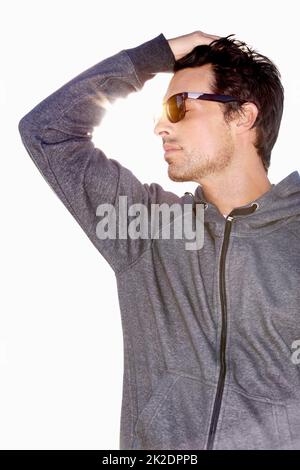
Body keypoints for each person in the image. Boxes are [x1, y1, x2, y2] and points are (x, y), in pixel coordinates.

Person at [18, 30, 300, 450]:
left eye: (178, 106)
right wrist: (153, 57)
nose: (159, 126)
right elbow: (48, 132)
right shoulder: (146, 226)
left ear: (242, 116)